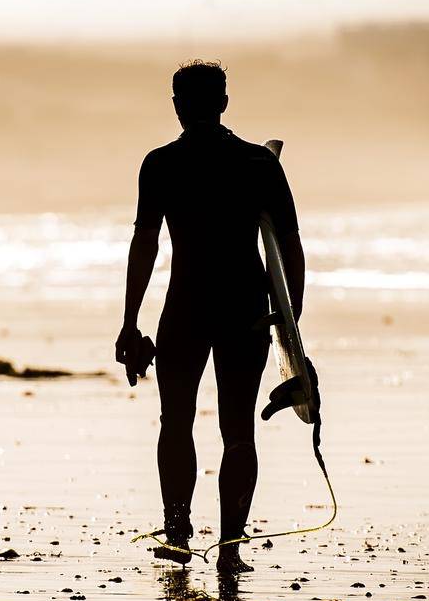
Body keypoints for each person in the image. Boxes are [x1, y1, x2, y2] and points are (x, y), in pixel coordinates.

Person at [115, 59, 304, 568]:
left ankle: (177, 531)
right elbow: (289, 246)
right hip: (246, 308)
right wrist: (292, 327)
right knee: (239, 429)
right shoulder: (259, 165)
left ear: (178, 106)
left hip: (185, 307)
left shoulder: (161, 164)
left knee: (174, 421)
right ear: (223, 102)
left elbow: (145, 243)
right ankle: (230, 546)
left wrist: (130, 322)